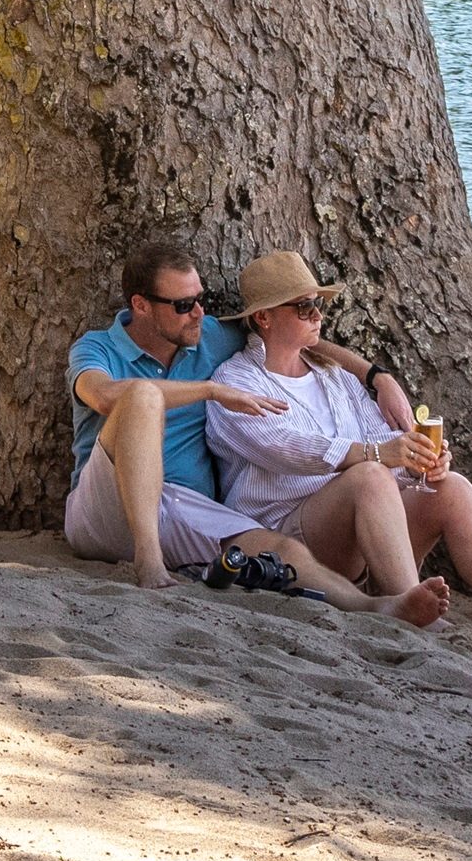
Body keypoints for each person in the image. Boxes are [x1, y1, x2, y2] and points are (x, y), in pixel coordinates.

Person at [200, 247, 472, 647]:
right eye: (304, 308)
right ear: (264, 318)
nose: (317, 316)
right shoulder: (235, 382)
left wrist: (415, 460)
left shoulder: (334, 376)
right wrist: (379, 455)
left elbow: (382, 442)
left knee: (451, 487)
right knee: (369, 475)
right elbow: (287, 448)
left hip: (368, 529)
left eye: (319, 305)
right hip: (292, 538)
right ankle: (413, 613)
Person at [61, 237, 356, 599]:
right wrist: (209, 390)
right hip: (106, 511)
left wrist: (376, 376)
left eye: (200, 300)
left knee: (283, 553)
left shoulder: (208, 336)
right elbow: (104, 396)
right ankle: (149, 560)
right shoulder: (97, 347)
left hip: (186, 510)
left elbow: (288, 335)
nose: (198, 313)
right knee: (142, 395)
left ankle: (376, 605)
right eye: (184, 305)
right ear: (141, 305)